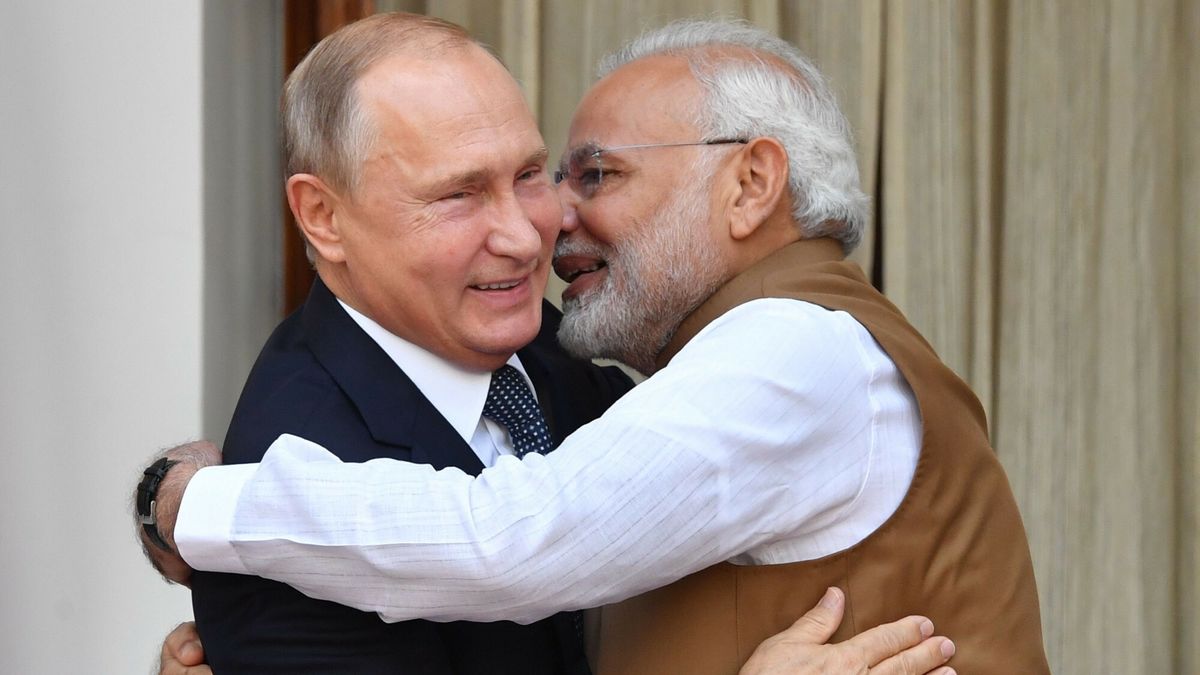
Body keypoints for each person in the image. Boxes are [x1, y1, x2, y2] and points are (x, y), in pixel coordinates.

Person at [137, 12, 955, 675]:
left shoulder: (561, 353)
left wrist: (186, 503)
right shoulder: (297, 464)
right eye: (459, 193)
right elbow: (523, 542)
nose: (532, 235)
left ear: (753, 183)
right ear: (322, 215)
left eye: (532, 174)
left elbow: (547, 535)